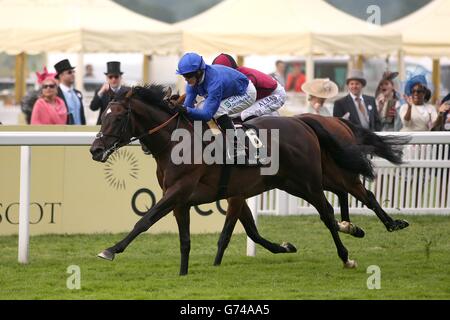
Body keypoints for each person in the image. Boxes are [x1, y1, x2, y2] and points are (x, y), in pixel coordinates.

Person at [176, 52, 256, 158]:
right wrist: (182, 109)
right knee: (198, 108)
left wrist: (186, 110)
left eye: (188, 75)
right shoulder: (193, 81)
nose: (185, 79)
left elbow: (207, 114)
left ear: (199, 72)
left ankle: (237, 146)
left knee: (217, 111)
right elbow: (188, 106)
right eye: (183, 75)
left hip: (245, 93)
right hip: (228, 91)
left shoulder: (214, 82)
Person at [212, 53, 286, 121]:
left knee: (246, 114)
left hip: (275, 94)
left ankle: (254, 134)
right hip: (261, 95)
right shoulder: (235, 75)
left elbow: (241, 96)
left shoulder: (244, 76)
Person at [54, 59, 86, 125]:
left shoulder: (78, 93)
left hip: (80, 132)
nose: (73, 74)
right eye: (69, 72)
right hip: (64, 132)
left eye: (73, 72)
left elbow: (81, 115)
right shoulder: (55, 94)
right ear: (61, 76)